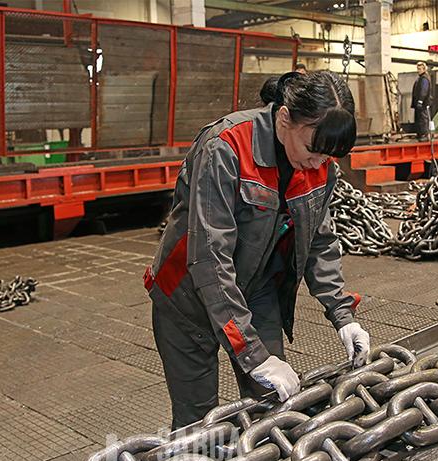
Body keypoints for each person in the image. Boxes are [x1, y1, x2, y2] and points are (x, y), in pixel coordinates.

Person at [144, 71, 371, 429]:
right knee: (199, 422)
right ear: (284, 118)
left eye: (329, 157)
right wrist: (252, 354)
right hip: (188, 299)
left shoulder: (318, 165)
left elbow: (319, 240)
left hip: (256, 288)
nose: (318, 164)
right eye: (313, 150)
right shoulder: (225, 146)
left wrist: (344, 316)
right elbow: (209, 258)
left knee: (273, 406)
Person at [412, 61, 433, 140]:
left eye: (420, 69)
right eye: (418, 69)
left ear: (424, 69)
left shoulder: (424, 79)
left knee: (423, 118)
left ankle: (425, 134)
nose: (418, 70)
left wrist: (420, 101)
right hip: (419, 103)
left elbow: (424, 90)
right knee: (419, 118)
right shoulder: (420, 78)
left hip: (423, 103)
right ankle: (420, 134)